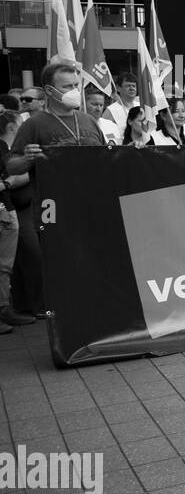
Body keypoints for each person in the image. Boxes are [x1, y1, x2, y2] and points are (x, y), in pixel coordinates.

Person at [6, 62, 108, 319]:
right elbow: (11, 165)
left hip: (92, 206)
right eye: (68, 86)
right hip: (54, 210)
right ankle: (64, 316)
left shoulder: (89, 121)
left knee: (95, 261)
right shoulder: (34, 125)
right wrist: (28, 159)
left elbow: (106, 159)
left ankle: (96, 309)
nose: (74, 91)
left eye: (76, 85)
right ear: (50, 91)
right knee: (61, 264)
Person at [0, 110, 35, 333]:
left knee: (5, 266)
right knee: (3, 266)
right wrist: (10, 181)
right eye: (21, 124)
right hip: (5, 212)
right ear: (12, 127)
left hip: (8, 211)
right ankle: (3, 311)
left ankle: (6, 309)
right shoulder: (4, 150)